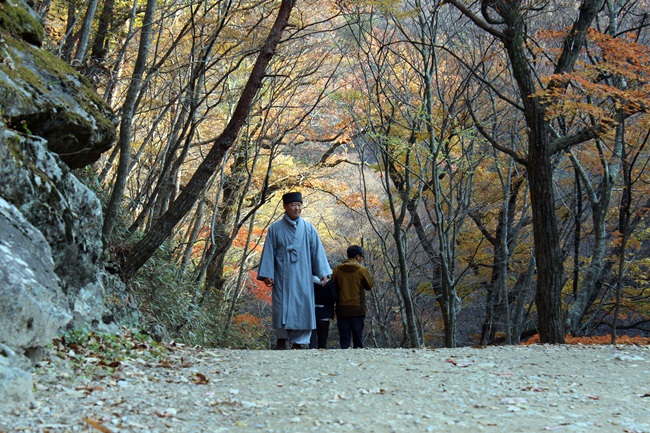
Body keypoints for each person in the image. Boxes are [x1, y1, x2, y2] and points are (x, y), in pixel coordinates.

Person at [257, 192, 332, 350]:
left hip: (303, 276)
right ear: (285, 207)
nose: (297, 208)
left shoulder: (308, 228)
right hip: (282, 276)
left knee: (303, 307)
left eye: (299, 205)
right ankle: (282, 339)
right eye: (293, 205)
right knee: (281, 307)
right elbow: (269, 252)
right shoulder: (275, 229)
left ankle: (299, 341)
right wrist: (267, 275)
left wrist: (322, 272)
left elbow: (316, 251)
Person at [331, 245, 373, 349]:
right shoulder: (362, 270)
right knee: (357, 337)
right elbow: (369, 286)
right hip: (357, 308)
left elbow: (332, 288)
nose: (362, 259)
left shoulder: (337, 270)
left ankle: (344, 361)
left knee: (344, 338)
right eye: (361, 256)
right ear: (357, 256)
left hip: (342, 308)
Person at [309, 275, 337, 349]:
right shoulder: (329, 284)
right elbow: (334, 298)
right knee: (322, 340)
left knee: (312, 340)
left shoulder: (309, 282)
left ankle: (311, 352)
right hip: (325, 314)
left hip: (311, 314)